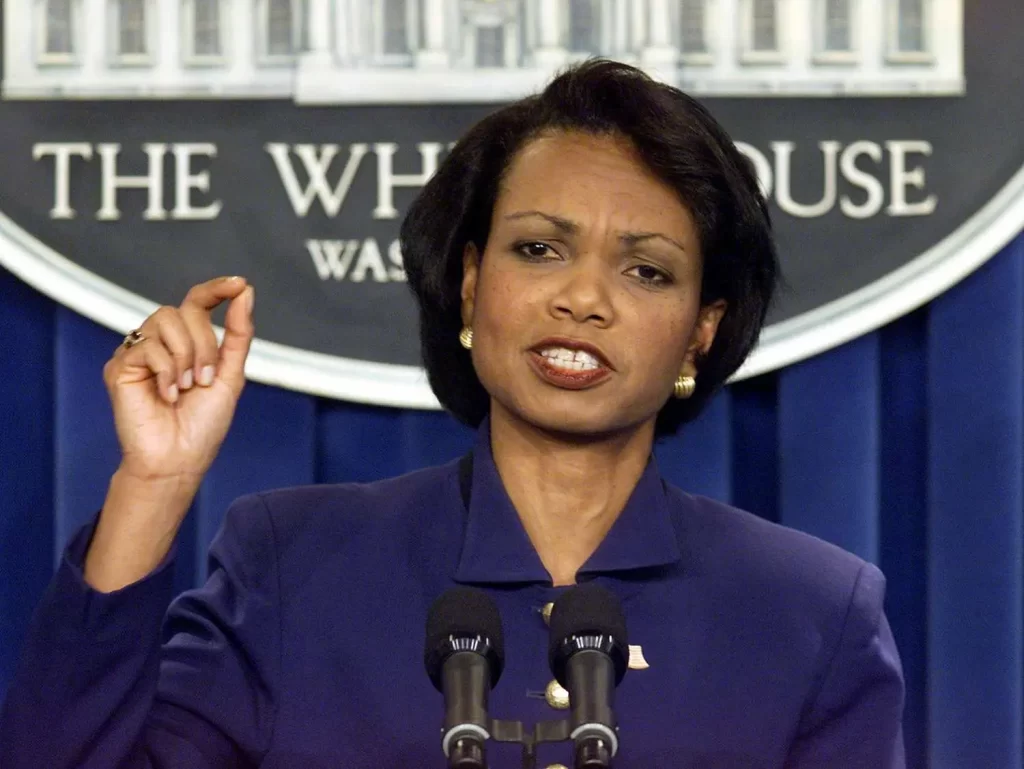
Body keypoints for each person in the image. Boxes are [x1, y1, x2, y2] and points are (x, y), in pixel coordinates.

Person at [0, 60, 904, 768]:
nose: (583, 298)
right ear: (473, 286)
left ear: (702, 332)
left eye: (646, 269)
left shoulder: (810, 615)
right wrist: (154, 484)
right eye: (540, 249)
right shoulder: (291, 564)